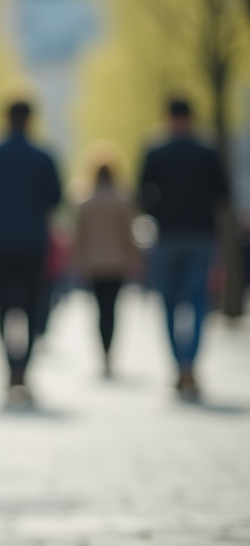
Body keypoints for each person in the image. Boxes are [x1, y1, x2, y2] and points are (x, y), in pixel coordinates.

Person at [0, 101, 62, 401]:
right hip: (33, 241)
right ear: (30, 119)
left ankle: (10, 368)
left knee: (3, 307)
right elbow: (55, 198)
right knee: (32, 307)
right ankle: (24, 371)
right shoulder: (43, 156)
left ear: (6, 118)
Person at [137, 98, 229, 399]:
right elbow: (222, 193)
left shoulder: (156, 150)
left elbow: (143, 195)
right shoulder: (207, 151)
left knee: (168, 304)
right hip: (201, 235)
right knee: (199, 301)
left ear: (168, 117)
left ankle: (178, 364)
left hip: (167, 237)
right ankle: (191, 363)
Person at [74, 164, 140, 378]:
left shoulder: (86, 203)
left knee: (100, 309)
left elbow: (79, 236)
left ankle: (103, 353)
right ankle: (109, 353)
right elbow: (129, 234)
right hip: (117, 262)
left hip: (94, 263)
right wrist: (134, 259)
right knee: (112, 309)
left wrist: (78, 261)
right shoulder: (122, 202)